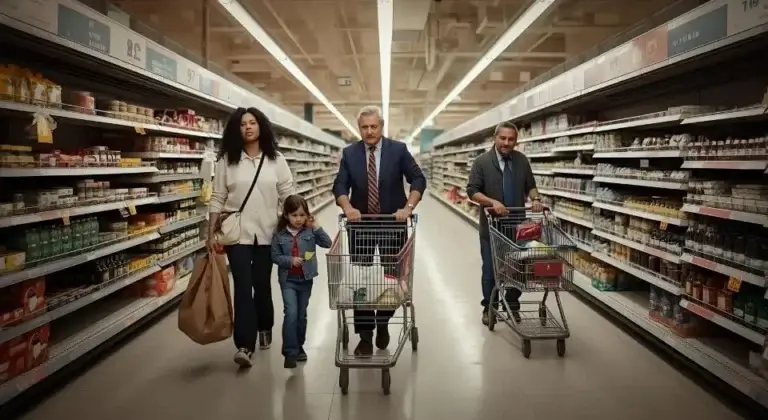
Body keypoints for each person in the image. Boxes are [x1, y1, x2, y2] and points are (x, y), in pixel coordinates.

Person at [332, 105, 427, 357]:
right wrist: (348, 206)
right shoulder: (350, 153)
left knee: (392, 278)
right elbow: (339, 185)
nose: (369, 131)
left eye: (374, 126)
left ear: (381, 126)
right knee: (360, 280)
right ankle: (365, 336)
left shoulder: (399, 150)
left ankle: (383, 322)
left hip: (392, 223)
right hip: (360, 225)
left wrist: (408, 207)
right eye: (364, 127)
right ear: (359, 127)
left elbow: (418, 179)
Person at [208, 107, 294, 368]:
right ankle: (244, 345)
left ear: (261, 127)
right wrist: (210, 232)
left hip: (269, 233)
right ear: (237, 129)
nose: (247, 127)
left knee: (263, 285)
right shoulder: (227, 161)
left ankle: (265, 325)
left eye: (253, 122)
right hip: (239, 235)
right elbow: (218, 197)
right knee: (243, 288)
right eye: (243, 124)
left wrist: (298, 225)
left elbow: (288, 194)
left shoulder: (276, 160)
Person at [466, 121, 543, 326]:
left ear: (516, 141)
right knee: (491, 270)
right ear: (495, 138)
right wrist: (492, 202)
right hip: (491, 227)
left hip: (517, 227)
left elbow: (531, 186)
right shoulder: (482, 162)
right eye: (503, 138)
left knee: (517, 268)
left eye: (511, 139)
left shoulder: (522, 161)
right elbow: (472, 191)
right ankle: (489, 307)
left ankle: (512, 304)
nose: (507, 143)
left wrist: (535, 198)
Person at [271, 195, 332, 369]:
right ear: (286, 215)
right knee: (291, 313)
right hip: (288, 279)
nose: (298, 219)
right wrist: (289, 260)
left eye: (302, 215)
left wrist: (316, 226)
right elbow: (275, 256)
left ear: (307, 215)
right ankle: (290, 353)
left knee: (301, 315)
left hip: (306, 279)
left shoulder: (310, 231)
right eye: (294, 215)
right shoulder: (279, 234)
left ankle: (299, 347)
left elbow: (327, 243)